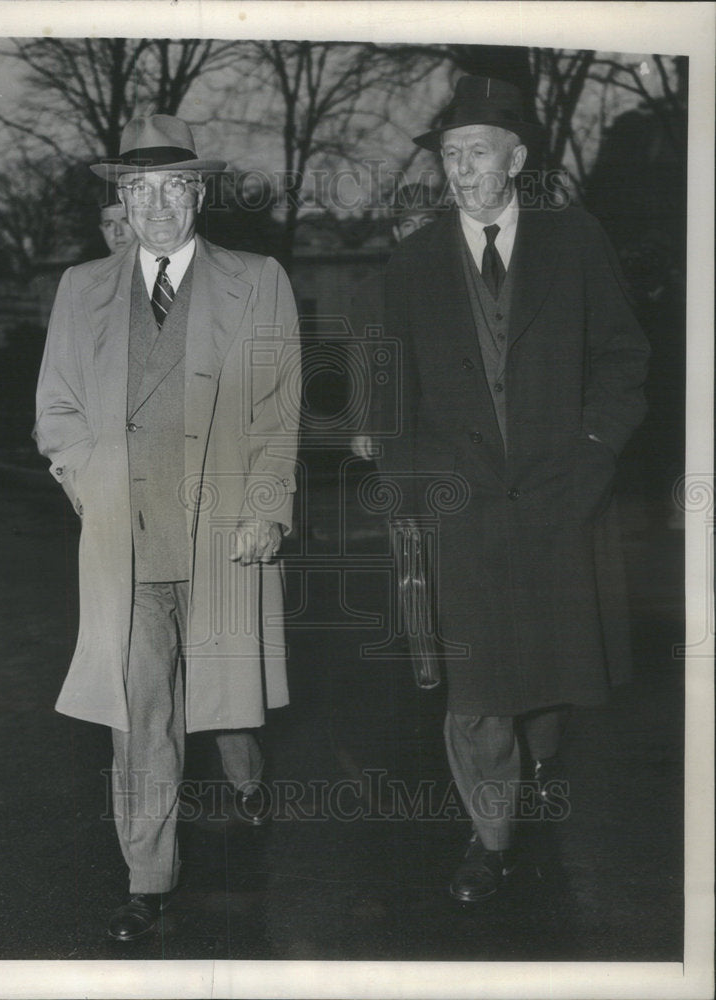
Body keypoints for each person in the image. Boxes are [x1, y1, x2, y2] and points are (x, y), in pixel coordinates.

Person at [379, 76, 650, 902]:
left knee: (551, 675)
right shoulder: (413, 259)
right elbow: (391, 386)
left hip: (562, 496)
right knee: (477, 686)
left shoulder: (576, 240)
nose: (461, 170)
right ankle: (490, 838)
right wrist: (409, 491)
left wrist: (596, 449)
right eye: (450, 156)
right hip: (459, 504)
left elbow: (623, 358)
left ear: (517, 159)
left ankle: (541, 761)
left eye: (477, 153)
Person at [34, 115, 300, 940]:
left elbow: (276, 407)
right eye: (138, 190)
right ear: (122, 198)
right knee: (139, 716)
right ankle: (147, 879)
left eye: (172, 188)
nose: (155, 207)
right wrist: (96, 485)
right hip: (131, 545)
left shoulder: (256, 280)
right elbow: (58, 412)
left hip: (223, 537)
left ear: (198, 194)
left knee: (228, 701)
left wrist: (265, 505)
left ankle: (249, 781)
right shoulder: (82, 288)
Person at [349, 181, 443, 462]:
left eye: (427, 222)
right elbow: (361, 363)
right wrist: (362, 426)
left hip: (458, 429)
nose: (419, 232)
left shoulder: (467, 286)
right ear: (396, 233)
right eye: (408, 225)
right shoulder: (372, 292)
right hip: (394, 426)